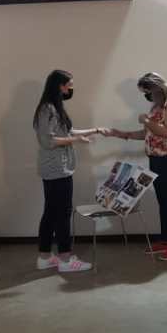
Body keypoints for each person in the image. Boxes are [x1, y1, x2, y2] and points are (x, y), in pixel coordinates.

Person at [103, 73, 167, 261]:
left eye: (147, 92)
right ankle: (165, 240)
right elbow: (148, 133)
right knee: (163, 201)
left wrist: (146, 120)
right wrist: (121, 134)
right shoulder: (158, 105)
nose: (147, 96)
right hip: (156, 158)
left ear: (156, 88)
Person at [33, 70, 100, 272]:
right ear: (59, 86)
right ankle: (65, 259)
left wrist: (95, 130)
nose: (71, 88)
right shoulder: (47, 109)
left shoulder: (54, 107)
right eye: (69, 84)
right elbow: (48, 141)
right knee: (62, 213)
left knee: (51, 212)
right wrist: (76, 140)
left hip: (59, 169)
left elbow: (67, 133)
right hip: (56, 169)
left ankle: (45, 257)